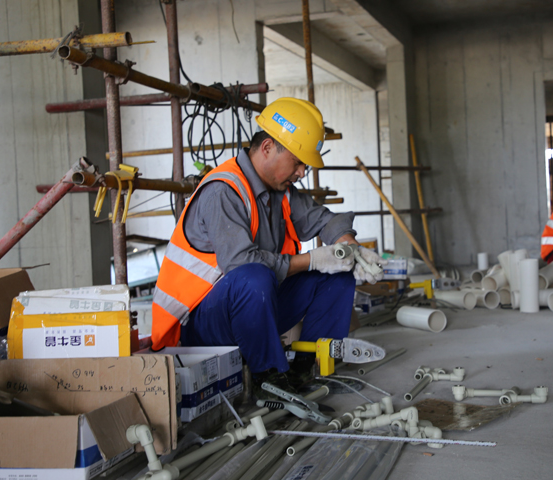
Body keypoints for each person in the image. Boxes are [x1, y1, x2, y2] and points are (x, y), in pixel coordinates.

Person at [150, 97, 383, 395]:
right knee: (254, 274)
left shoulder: (280, 190)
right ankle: (270, 379)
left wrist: (351, 249)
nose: (301, 172)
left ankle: (305, 368)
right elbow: (240, 264)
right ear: (268, 148)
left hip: (252, 308)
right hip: (199, 324)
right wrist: (312, 260)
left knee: (338, 273)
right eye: (297, 163)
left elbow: (324, 220)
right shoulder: (223, 190)